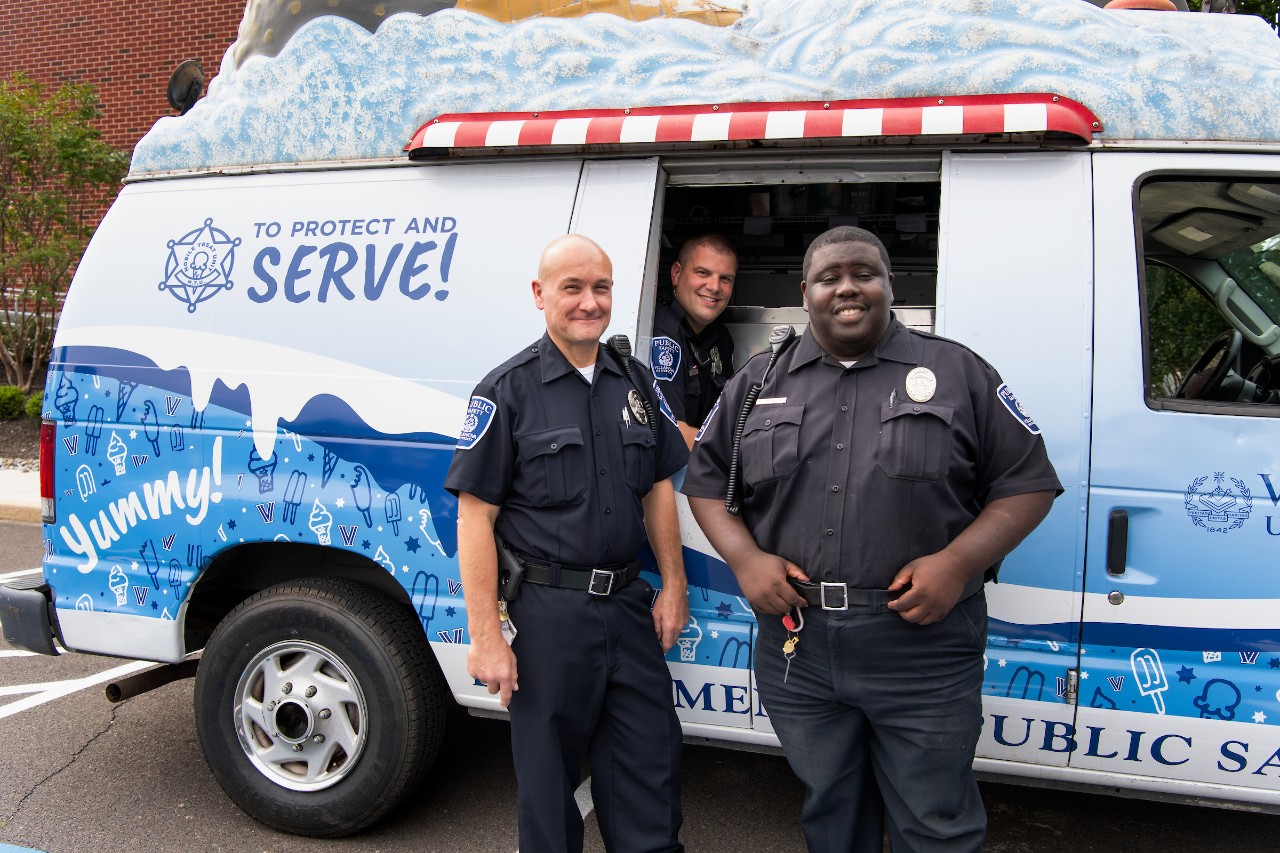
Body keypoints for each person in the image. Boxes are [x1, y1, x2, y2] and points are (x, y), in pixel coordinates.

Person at [682, 226, 1061, 852]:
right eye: (830, 277)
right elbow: (706, 481)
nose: (847, 288)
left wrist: (959, 562)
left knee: (935, 820)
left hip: (921, 645)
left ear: (891, 286)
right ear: (806, 293)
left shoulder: (957, 371)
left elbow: (1028, 484)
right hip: (798, 645)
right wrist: (745, 559)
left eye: (864, 273)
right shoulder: (756, 382)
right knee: (832, 810)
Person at [445, 234, 690, 853]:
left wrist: (674, 585)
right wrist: (486, 637)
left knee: (649, 770)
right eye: (572, 288)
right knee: (549, 792)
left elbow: (658, 484)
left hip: (629, 608)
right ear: (540, 294)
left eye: (601, 287)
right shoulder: (506, 391)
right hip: (549, 618)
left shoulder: (632, 381)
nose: (589, 302)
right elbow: (474, 519)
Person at [650, 235, 738, 447]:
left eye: (725, 278)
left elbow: (729, 418)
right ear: (676, 273)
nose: (715, 287)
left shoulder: (720, 337)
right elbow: (671, 433)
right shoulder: (662, 333)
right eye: (703, 273)